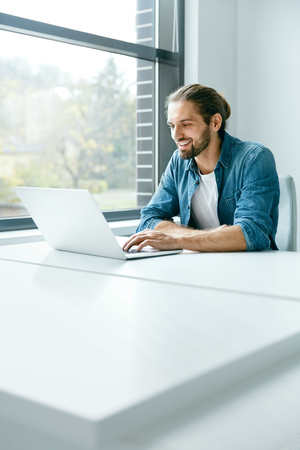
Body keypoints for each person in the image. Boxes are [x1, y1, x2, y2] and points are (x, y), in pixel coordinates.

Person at [123, 84, 279, 253]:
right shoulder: (178, 162)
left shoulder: (254, 158)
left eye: (186, 124)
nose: (176, 135)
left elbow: (251, 233)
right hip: (198, 265)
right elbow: (149, 218)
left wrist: (177, 239)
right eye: (172, 126)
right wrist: (189, 237)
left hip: (250, 268)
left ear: (215, 123)